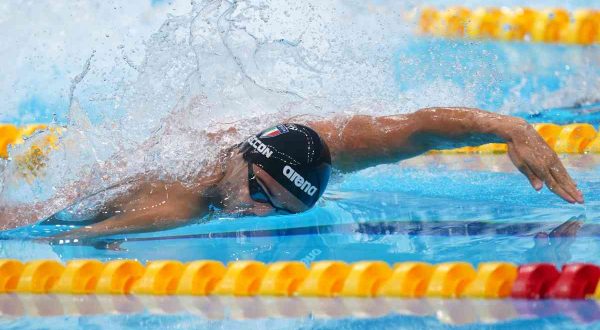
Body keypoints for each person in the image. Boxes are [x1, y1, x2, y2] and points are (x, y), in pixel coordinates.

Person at [0, 107, 584, 239]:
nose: (258, 212)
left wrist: (511, 128)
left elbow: (417, 128)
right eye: (260, 194)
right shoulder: (181, 204)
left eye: (281, 209)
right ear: (245, 160)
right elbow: (53, 236)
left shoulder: (314, 146)